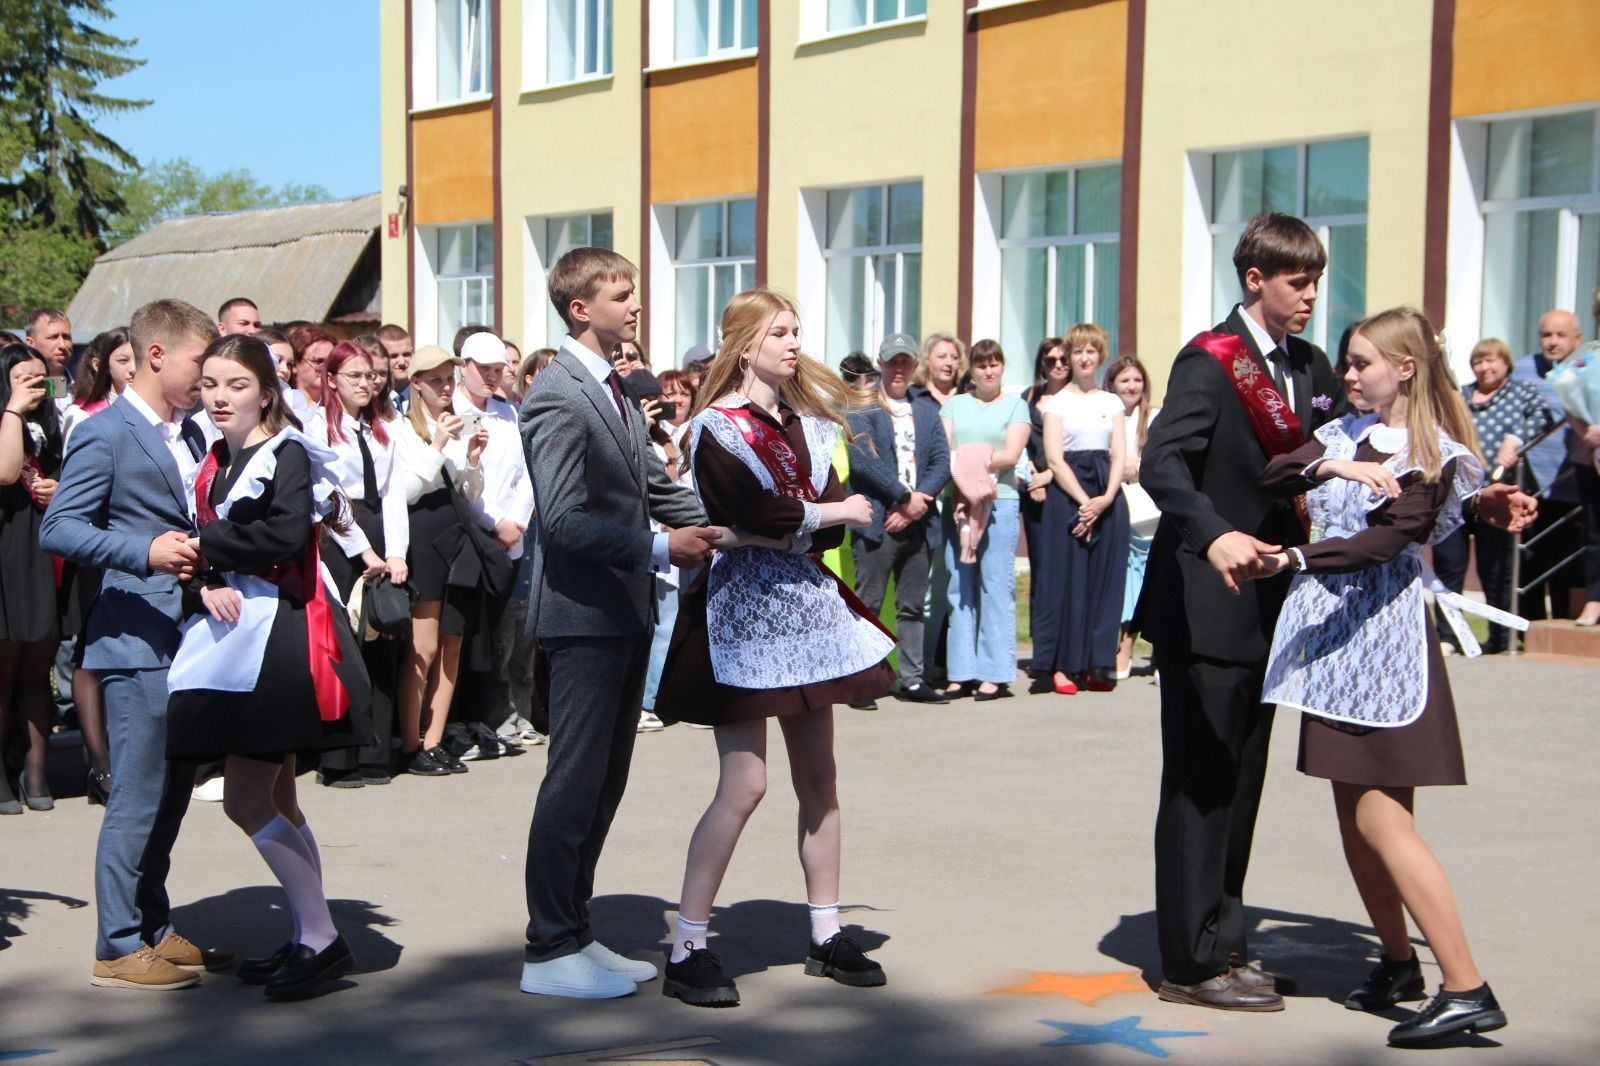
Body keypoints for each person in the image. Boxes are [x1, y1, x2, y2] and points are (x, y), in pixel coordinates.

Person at [1253, 307, 1506, 1047]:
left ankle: (1467, 986)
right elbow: (1274, 472)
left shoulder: (1435, 453)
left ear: (1405, 368)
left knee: (1382, 819)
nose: (1349, 374)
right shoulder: (1346, 435)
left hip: (1386, 648)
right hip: (1333, 646)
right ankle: (1398, 963)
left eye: (1362, 362)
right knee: (1351, 818)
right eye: (1348, 361)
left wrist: (1292, 558)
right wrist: (1333, 463)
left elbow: (1384, 542)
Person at [653, 288, 891, 1007]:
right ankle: (689, 943)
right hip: (741, 610)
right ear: (743, 344)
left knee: (820, 778)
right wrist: (816, 515)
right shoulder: (713, 429)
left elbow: (806, 526)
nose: (793, 344)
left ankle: (825, 932)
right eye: (778, 333)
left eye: (796, 331)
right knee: (745, 783)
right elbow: (756, 512)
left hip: (805, 609)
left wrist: (803, 520)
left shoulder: (811, 425)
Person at [1140, 213, 1351, 1010]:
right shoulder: (1210, 360)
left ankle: (1223, 943)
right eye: (1297, 281)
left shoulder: (1310, 364)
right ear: (1255, 279)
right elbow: (1163, 462)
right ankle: (1188, 965)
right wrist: (1214, 531)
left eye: (1315, 281)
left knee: (1244, 779)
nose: (1309, 296)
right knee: (1201, 781)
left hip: (1271, 603)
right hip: (1206, 602)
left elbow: (1340, 454)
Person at [518, 246, 718, 1000]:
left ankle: (574, 932)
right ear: (580, 308)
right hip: (582, 618)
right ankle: (546, 947)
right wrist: (662, 547)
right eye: (621, 295)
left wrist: (728, 528)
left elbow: (651, 488)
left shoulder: (615, 388)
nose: (635, 306)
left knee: (604, 782)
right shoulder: (557, 397)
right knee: (572, 781)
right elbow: (564, 520)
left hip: (623, 608)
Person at [165, 334, 371, 1000]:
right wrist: (204, 575)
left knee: (247, 798)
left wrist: (205, 545)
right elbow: (213, 555)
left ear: (266, 392)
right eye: (210, 386)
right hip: (237, 634)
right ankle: (313, 931)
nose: (220, 397)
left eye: (235, 385)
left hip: (280, 634)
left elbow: (286, 536)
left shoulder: (285, 453)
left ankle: (319, 934)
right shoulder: (216, 458)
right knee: (276, 794)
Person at [40, 298, 232, 990]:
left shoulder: (185, 432)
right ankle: (117, 942)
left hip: (182, 637)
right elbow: (58, 528)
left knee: (171, 793)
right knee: (138, 795)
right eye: (197, 364)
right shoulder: (107, 432)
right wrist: (142, 551)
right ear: (157, 355)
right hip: (132, 639)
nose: (207, 378)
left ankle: (152, 925)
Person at [306, 341, 411, 787]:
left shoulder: (381, 426)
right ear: (331, 380)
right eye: (355, 376)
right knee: (343, 647)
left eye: (370, 376)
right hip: (339, 540)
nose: (366, 385)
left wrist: (396, 554)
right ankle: (339, 758)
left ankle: (375, 753)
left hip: (380, 536)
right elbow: (325, 495)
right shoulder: (318, 427)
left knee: (383, 639)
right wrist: (361, 550)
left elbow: (393, 493)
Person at [391, 345, 489, 777]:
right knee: (423, 647)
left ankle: (433, 741)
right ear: (416, 384)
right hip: (424, 542)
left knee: (452, 646)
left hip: (457, 540)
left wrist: (471, 461)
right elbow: (406, 492)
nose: (445, 388)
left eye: (449, 379)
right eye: (435, 380)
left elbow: (467, 493)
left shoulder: (452, 424)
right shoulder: (400, 430)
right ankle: (411, 742)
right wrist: (438, 443)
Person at [845, 333, 952, 705]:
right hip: (878, 521)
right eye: (893, 361)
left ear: (915, 365)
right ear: (880, 362)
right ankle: (861, 683)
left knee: (912, 606)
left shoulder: (925, 408)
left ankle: (911, 679)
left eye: (905, 361)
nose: (899, 368)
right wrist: (904, 498)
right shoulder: (862, 406)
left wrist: (918, 503)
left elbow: (942, 461)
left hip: (919, 523)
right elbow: (862, 460)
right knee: (868, 603)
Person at [1432, 338, 1553, 653]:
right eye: (1478, 361)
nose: (1484, 367)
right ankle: (1447, 636)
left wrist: (1514, 440)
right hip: (1457, 494)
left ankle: (1500, 638)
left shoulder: (1522, 393)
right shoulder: (1461, 396)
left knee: (1496, 568)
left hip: (1499, 495)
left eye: (1491, 360)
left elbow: (1543, 418)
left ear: (1506, 363)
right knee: (1449, 564)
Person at [451, 330, 535, 761]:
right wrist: (493, 522)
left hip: (510, 540)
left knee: (500, 638)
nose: (491, 376)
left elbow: (525, 474)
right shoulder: (452, 412)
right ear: (463, 366)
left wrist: (516, 520)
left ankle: (489, 721)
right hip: (472, 539)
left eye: (497, 369)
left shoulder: (509, 413)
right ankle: (461, 724)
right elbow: (459, 480)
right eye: (482, 369)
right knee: (467, 639)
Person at [1035, 324, 1129, 694]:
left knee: (1104, 580)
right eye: (1077, 352)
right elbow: (1055, 459)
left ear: (1100, 356)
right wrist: (1083, 501)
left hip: (1107, 491)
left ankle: (1097, 662)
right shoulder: (1057, 403)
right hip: (1068, 493)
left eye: (1091, 351)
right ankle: (1061, 665)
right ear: (1069, 357)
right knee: (1065, 579)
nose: (1084, 358)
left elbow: (1120, 453)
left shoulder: (1112, 402)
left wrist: (1106, 497)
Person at [937, 339, 1027, 700]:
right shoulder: (954, 404)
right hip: (957, 503)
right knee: (959, 585)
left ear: (1002, 367)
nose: (989, 371)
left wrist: (969, 460)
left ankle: (995, 672)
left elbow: (1012, 454)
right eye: (981, 365)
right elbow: (945, 450)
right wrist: (975, 462)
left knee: (995, 586)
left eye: (995, 364)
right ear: (971, 370)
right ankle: (961, 671)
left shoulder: (1016, 406)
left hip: (999, 502)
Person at [0, 344, 68, 813]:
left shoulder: (51, 420)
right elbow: (6, 473)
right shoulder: (8, 416)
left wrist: (58, 487)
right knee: (4, 665)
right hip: (5, 543)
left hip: (41, 542)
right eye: (23, 377)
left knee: (35, 663)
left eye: (39, 378)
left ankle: (37, 771)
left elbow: (68, 473)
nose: (34, 386)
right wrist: (12, 410)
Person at [1510, 310, 1588, 620]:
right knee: (1528, 561)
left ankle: (1563, 619)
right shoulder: (1522, 369)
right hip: (1528, 484)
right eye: (1546, 335)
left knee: (1565, 563)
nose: (1552, 342)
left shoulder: (1587, 369)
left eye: (1560, 335)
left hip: (1571, 483)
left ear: (1576, 339)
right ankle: (1526, 628)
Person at [913, 333, 965, 689]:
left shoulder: (968, 400)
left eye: (954, 357)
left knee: (955, 585)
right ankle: (925, 663)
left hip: (965, 501)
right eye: (941, 355)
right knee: (929, 587)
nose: (948, 362)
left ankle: (951, 662)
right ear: (926, 361)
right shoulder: (916, 400)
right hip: (930, 499)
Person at [1106, 355, 1160, 679]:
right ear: (1112, 384)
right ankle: (1123, 647)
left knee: (1156, 583)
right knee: (1127, 583)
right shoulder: (1107, 416)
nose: (1131, 386)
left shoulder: (1155, 418)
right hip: (1119, 510)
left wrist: (1138, 467)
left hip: (1152, 512)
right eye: (1124, 380)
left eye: (1137, 380)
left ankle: (1159, 654)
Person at [1019, 337, 1066, 690]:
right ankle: (1042, 650)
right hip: (1034, 494)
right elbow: (1018, 442)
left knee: (1068, 572)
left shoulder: (1076, 398)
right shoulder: (1029, 398)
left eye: (1063, 359)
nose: (1059, 365)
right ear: (1041, 364)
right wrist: (1032, 479)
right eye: (1051, 361)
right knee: (1042, 572)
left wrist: (1051, 475)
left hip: (1068, 491)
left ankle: (1066, 650)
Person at [62, 327, 136, 446]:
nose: (133, 369)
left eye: (138, 360)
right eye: (123, 361)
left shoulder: (154, 410)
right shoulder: (83, 415)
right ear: (102, 365)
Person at [24, 307, 74, 402]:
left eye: (66, 337)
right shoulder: (17, 391)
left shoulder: (85, 391)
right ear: (30, 343)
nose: (62, 345)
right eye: (53, 337)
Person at [285, 324, 335, 415]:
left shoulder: (339, 411)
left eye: (331, 362)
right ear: (295, 364)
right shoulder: (283, 408)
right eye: (318, 361)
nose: (326, 367)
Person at [377, 324, 414, 413]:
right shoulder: (371, 401)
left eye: (406, 354)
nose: (402, 362)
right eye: (393, 356)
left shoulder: (426, 397)